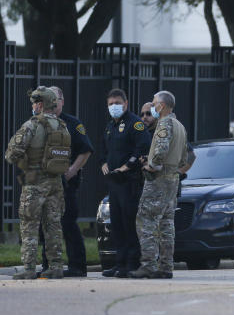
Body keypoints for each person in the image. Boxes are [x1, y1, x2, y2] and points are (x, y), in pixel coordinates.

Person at [3, 87, 70, 280]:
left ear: (40, 104)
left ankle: (29, 267)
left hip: (34, 182)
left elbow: (11, 153)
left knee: (29, 225)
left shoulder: (32, 125)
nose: (32, 106)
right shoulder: (63, 126)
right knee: (53, 225)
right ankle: (56, 266)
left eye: (34, 102)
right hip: (55, 184)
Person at [132, 91, 188, 279]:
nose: (153, 107)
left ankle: (148, 265)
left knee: (145, 219)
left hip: (158, 178)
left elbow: (161, 149)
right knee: (166, 223)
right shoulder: (180, 125)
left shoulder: (164, 123)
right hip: (173, 178)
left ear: (162, 106)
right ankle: (166, 266)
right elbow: (184, 158)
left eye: (155, 104)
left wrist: (151, 165)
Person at [39, 86, 94, 277]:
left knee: (68, 224)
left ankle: (77, 266)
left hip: (66, 185)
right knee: (46, 224)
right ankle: (49, 265)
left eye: (56, 99)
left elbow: (85, 150)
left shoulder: (72, 124)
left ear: (62, 101)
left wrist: (72, 171)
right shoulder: (41, 122)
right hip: (45, 184)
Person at [100, 88, 151, 278]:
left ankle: (131, 263)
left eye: (117, 103)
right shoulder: (110, 126)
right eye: (111, 104)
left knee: (130, 224)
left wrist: (127, 166)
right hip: (114, 182)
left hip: (129, 182)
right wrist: (103, 163)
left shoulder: (135, 124)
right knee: (117, 224)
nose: (114, 106)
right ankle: (119, 263)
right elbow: (103, 148)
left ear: (126, 103)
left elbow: (142, 148)